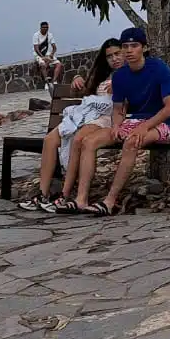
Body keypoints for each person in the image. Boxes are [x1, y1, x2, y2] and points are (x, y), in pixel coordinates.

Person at [77, 26, 170, 216]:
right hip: (134, 121)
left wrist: (144, 127)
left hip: (161, 123)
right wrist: (116, 125)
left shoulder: (159, 69)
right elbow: (118, 109)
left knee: (132, 142)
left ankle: (109, 200)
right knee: (89, 141)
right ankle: (81, 199)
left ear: (144, 48)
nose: (129, 50)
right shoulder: (120, 76)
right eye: (125, 46)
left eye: (134, 45)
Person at [19, 39, 122, 214]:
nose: (114, 59)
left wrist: (121, 87)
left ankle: (65, 195)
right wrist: (77, 78)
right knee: (50, 139)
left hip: (106, 119)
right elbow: (84, 91)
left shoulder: (130, 74)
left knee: (79, 137)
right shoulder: (103, 74)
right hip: (86, 114)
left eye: (117, 54)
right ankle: (42, 194)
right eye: (109, 56)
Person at [32, 21, 62, 90]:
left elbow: (54, 47)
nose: (45, 29)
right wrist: (43, 57)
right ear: (41, 28)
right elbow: (36, 48)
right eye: (44, 27)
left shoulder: (50, 35)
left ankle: (53, 81)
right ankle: (47, 83)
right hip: (39, 55)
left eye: (47, 27)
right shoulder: (36, 35)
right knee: (43, 65)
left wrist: (51, 55)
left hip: (48, 55)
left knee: (58, 64)